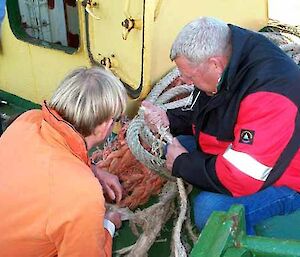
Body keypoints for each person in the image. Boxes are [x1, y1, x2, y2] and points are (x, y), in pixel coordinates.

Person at [143, 16, 300, 234]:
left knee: (210, 210)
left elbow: (242, 178)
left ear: (214, 64)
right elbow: (210, 115)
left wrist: (182, 164)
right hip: (254, 158)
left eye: (189, 76)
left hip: (288, 180)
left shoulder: (269, 95)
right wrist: (169, 120)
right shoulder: (230, 63)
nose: (185, 82)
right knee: (175, 145)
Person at [0, 66, 127, 256]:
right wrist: (108, 225)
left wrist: (93, 170)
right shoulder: (82, 194)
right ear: (106, 125)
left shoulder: (27, 120)